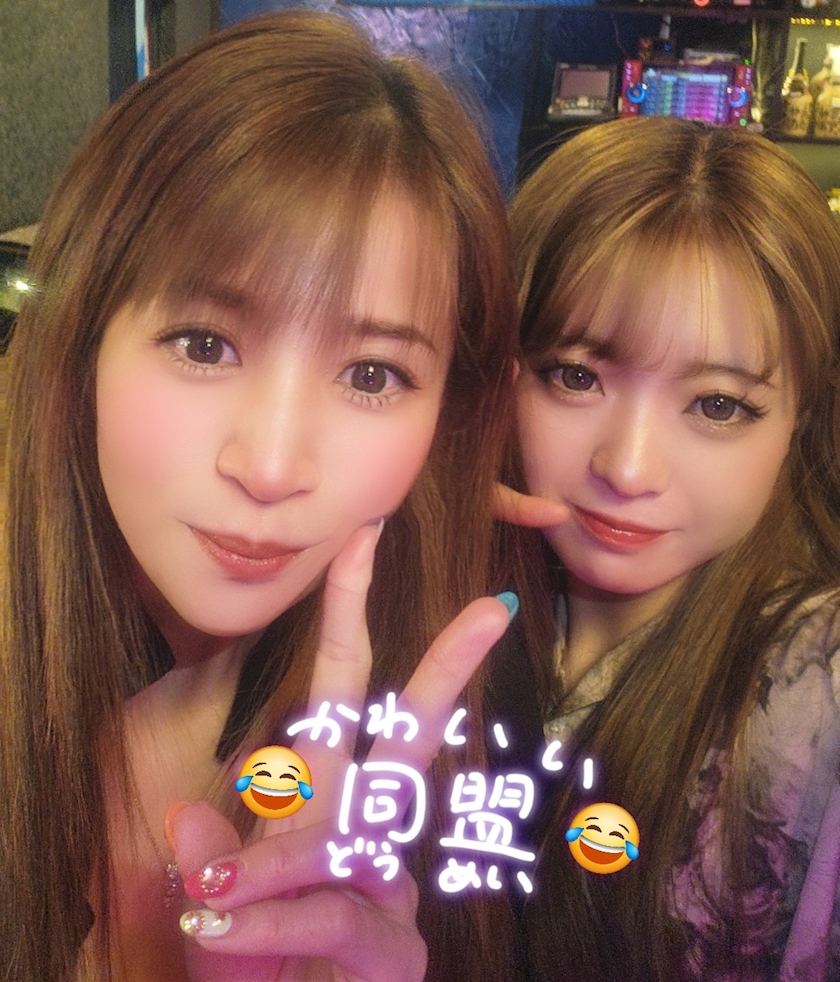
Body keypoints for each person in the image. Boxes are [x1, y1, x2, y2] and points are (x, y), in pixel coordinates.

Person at [0, 11, 526, 981]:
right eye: (205, 345)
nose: (274, 465)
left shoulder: (433, 750)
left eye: (372, 375)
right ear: (81, 340)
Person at [504, 117, 840, 981]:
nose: (628, 468)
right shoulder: (411, 605)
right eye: (576, 376)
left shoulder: (814, 686)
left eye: (718, 405)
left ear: (800, 418)